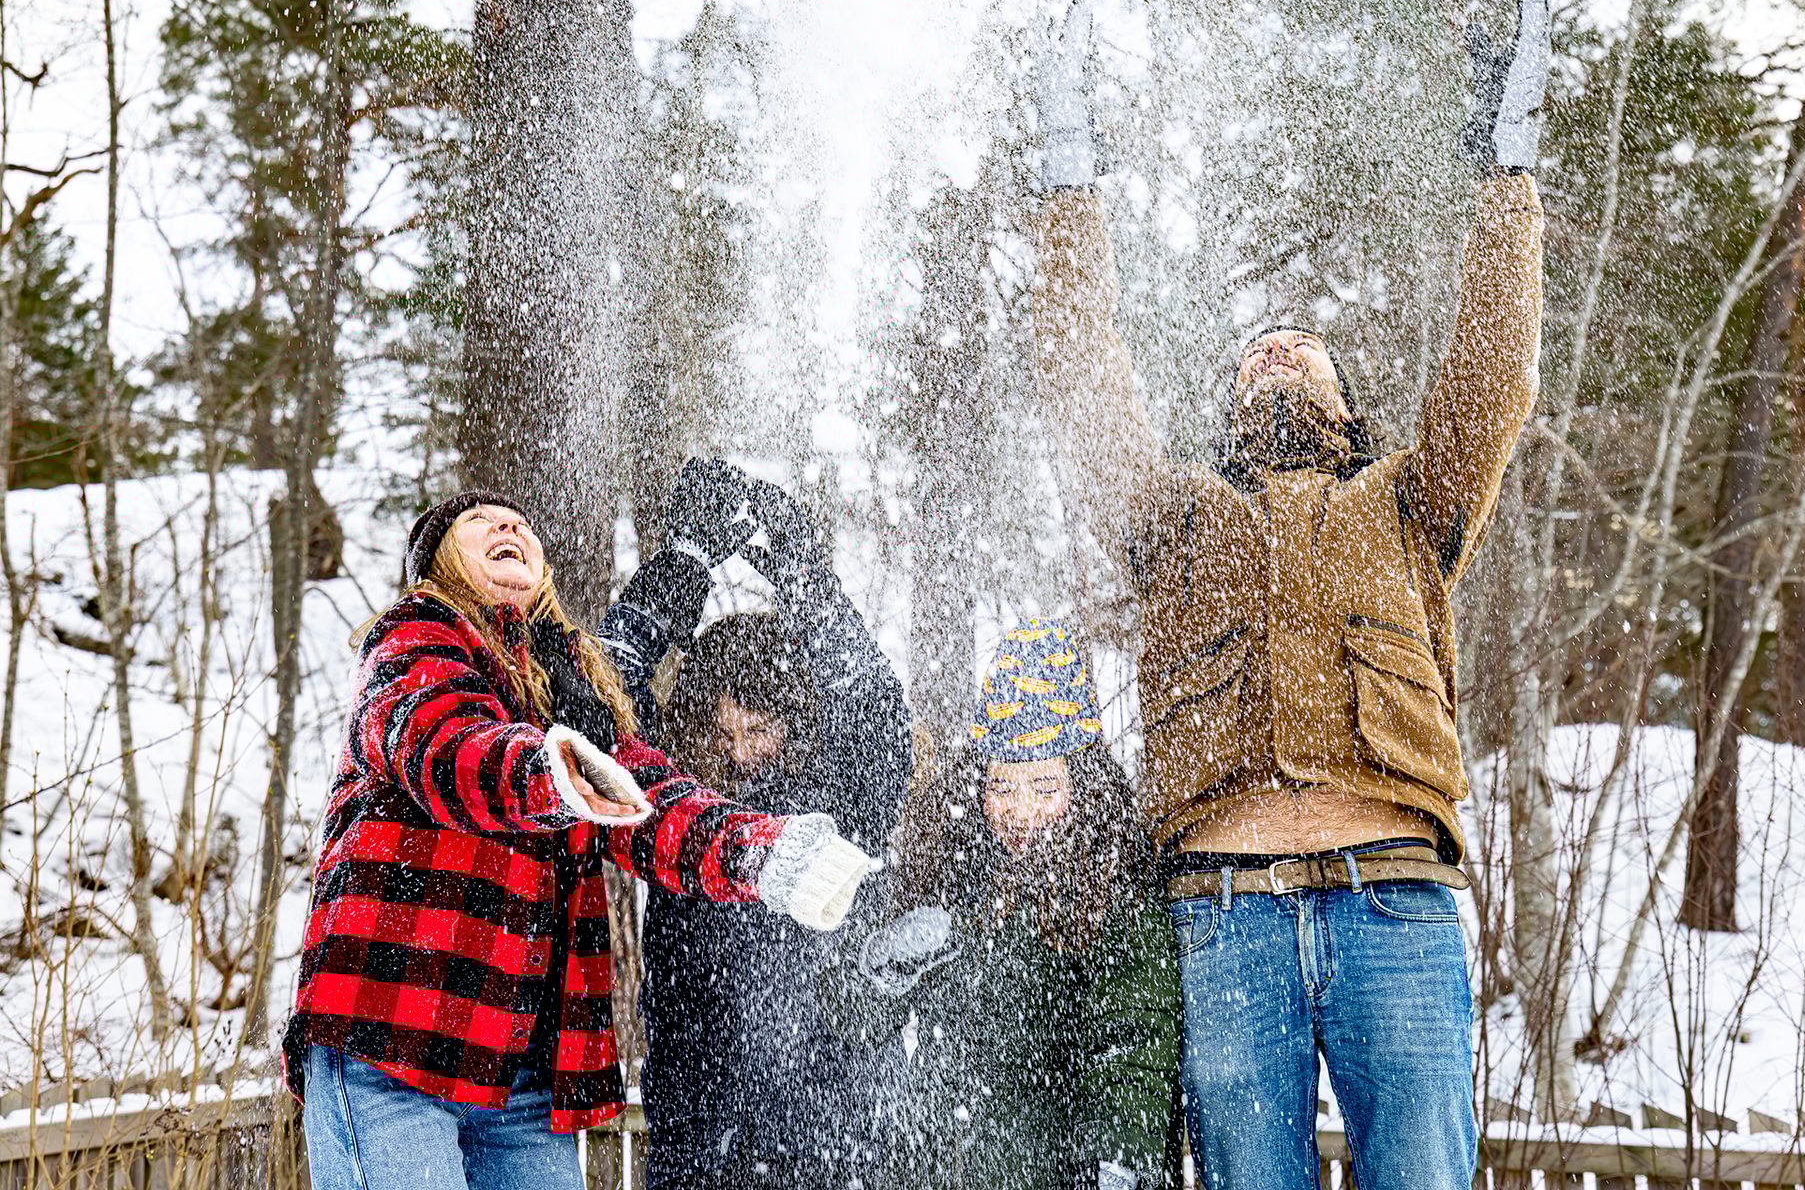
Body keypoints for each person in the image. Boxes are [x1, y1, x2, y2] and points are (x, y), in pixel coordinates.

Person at [1024, 0, 1552, 1190]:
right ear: (1227, 412)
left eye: (1303, 349)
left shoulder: (1411, 502)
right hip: (1227, 910)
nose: (1278, 352)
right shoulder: (1177, 519)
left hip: (1396, 904)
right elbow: (1083, 389)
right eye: (1258, 351)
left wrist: (1506, 171)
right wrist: (1069, 182)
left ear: (1347, 406)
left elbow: (1492, 370)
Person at [285, 491, 877, 1190]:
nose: (507, 526)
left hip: (521, 1070)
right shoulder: (416, 643)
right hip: (394, 1035)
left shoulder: (569, 686)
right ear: (438, 566)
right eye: (479, 525)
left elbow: (649, 802)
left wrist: (762, 852)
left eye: (519, 524)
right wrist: (551, 769)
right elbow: (451, 751)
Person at [596, 460, 912, 1189]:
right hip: (697, 1125)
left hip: (830, 1128)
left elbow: (877, 710)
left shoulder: (842, 792)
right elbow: (601, 696)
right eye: (722, 733)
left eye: (760, 731)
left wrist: (806, 581)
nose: (739, 753)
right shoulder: (676, 803)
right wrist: (682, 568)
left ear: (796, 721)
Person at [829, 620, 1181, 1190]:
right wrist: (878, 970)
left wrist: (1123, 1161)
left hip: (1053, 1169)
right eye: (1001, 786)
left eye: (1044, 787)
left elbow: (1134, 1041)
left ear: (1084, 787)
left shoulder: (1116, 894)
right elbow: (847, 1030)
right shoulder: (946, 879)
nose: (1020, 810)